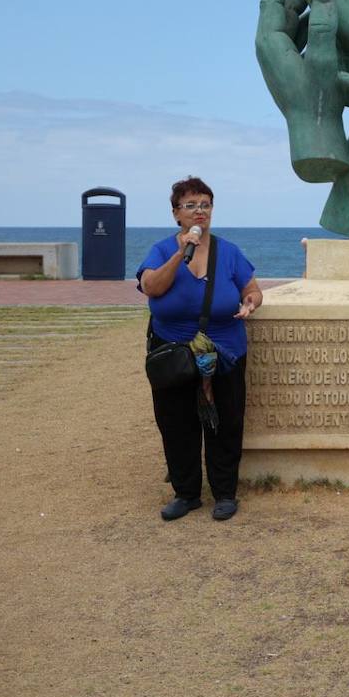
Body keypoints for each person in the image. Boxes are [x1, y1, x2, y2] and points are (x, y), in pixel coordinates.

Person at [137, 176, 262, 522]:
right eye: (190, 205)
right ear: (176, 214)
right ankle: (186, 494)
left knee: (225, 421)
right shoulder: (162, 250)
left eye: (205, 204)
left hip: (224, 351)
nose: (199, 211)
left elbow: (252, 290)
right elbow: (151, 287)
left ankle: (225, 493)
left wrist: (251, 303)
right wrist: (180, 254)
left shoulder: (229, 252)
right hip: (173, 351)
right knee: (176, 422)